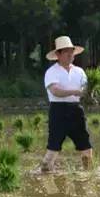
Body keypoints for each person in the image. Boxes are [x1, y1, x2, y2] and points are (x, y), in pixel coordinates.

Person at [40, 36, 92, 172]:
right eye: (66, 52)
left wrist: (90, 95)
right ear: (58, 54)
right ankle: (45, 175)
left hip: (76, 111)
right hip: (58, 111)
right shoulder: (52, 72)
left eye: (72, 52)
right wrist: (75, 91)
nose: (70, 55)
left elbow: (85, 90)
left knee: (85, 146)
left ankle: (88, 174)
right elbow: (55, 91)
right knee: (53, 148)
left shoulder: (79, 72)